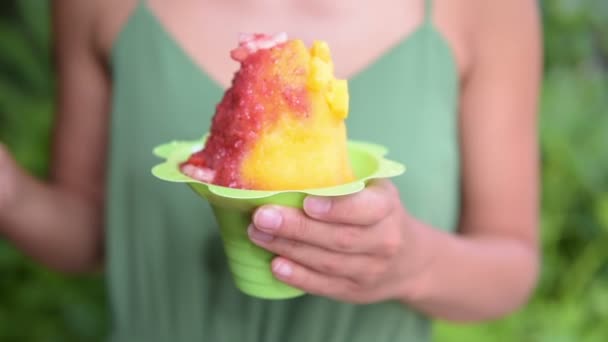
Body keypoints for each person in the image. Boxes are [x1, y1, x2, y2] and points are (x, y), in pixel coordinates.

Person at [0, 0, 541, 341]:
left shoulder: (489, 11)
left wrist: (413, 265)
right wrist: (10, 193)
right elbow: (92, 234)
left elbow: (511, 264)